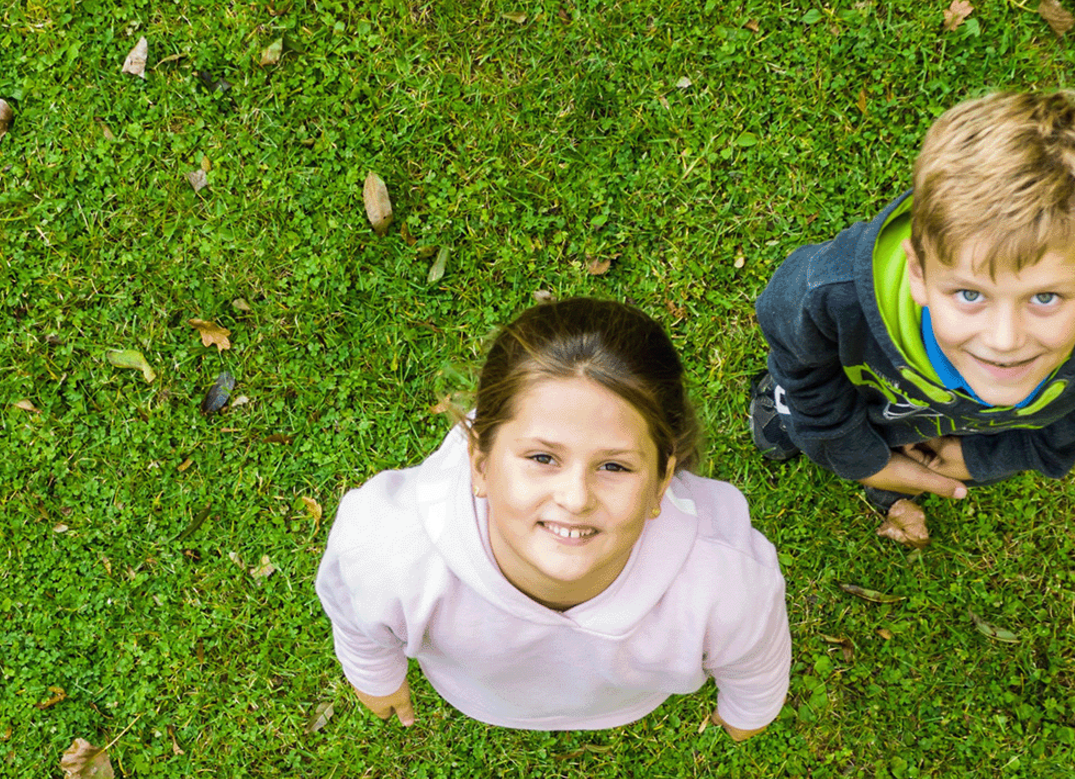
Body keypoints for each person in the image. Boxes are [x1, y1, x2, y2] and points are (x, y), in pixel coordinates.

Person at [317, 298, 790, 737]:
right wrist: (374, 674)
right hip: (475, 693)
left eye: (614, 466)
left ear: (663, 480)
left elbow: (755, 657)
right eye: (543, 458)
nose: (576, 497)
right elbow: (355, 614)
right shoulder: (389, 550)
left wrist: (750, 709)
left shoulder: (727, 581)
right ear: (480, 462)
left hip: (629, 700)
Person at [750, 90, 1075, 546]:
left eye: (1044, 297)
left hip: (965, 433)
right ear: (918, 272)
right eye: (968, 293)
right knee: (806, 416)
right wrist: (855, 455)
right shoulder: (829, 294)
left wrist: (993, 457)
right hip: (859, 394)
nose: (1004, 341)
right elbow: (799, 360)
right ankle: (792, 420)